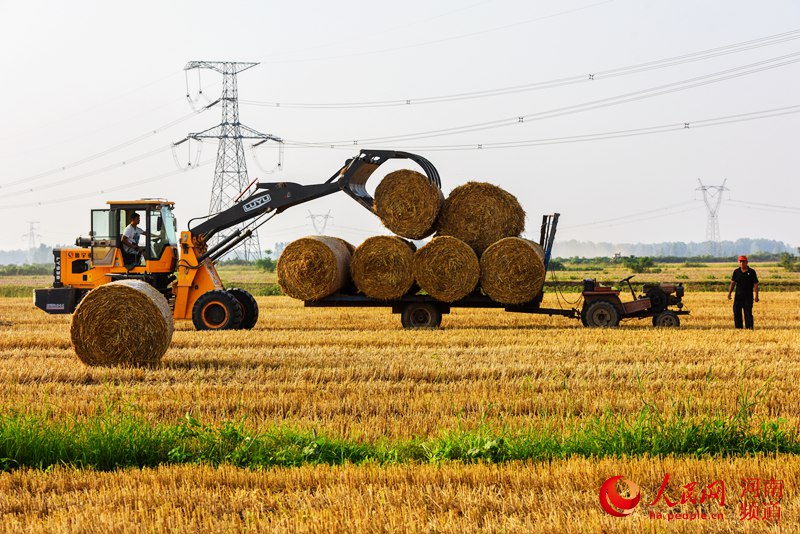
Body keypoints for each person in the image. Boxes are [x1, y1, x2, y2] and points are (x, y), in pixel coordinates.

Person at [727, 255, 759, 329]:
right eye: (740, 262)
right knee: (736, 313)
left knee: (748, 313)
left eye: (743, 261)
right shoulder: (736, 272)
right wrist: (729, 293)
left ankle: (749, 328)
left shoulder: (752, 272)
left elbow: (756, 284)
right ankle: (738, 329)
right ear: (738, 262)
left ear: (747, 262)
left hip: (748, 297)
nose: (742, 263)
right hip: (738, 297)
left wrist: (756, 296)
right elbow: (732, 283)